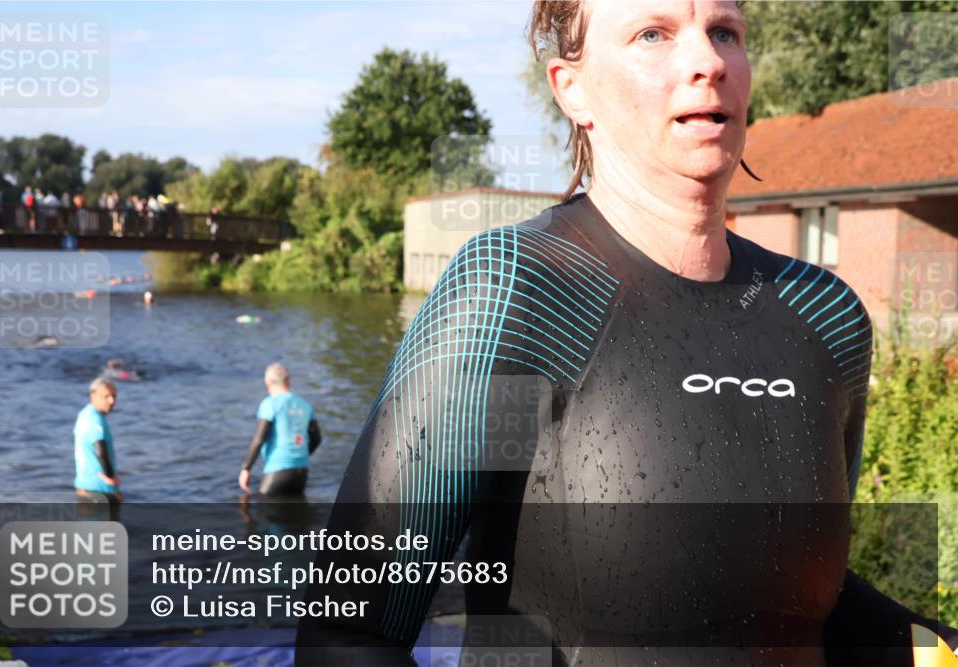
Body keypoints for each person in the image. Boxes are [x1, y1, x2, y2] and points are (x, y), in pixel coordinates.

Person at [295, 2, 958, 666]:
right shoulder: (519, 297)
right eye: (652, 33)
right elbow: (350, 632)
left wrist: (932, 645)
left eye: (725, 32)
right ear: (571, 88)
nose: (709, 61)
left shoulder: (823, 316)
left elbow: (808, 595)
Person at [239, 363, 321, 496]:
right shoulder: (305, 405)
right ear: (288, 381)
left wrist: (246, 468)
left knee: (264, 511)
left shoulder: (270, 404)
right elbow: (317, 439)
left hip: (277, 471)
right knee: (295, 513)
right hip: (301, 471)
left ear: (268, 382)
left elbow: (260, 438)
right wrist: (301, 455)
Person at [73, 378, 121, 502]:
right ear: (93, 396)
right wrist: (110, 477)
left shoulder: (84, 414)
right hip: (99, 490)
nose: (112, 401)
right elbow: (100, 448)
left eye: (113, 396)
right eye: (106, 396)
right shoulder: (95, 420)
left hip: (85, 486)